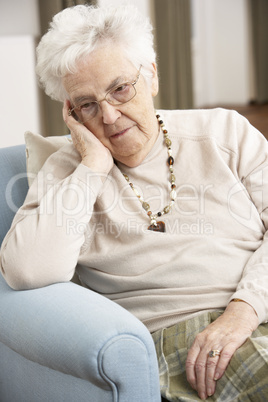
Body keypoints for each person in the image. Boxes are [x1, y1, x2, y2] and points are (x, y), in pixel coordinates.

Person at [1, 4, 267, 401]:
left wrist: (245, 310)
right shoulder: (66, 172)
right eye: (87, 104)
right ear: (70, 113)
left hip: (252, 312)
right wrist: (92, 166)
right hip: (179, 341)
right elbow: (26, 271)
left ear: (153, 75)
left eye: (120, 88)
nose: (109, 116)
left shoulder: (224, 132)